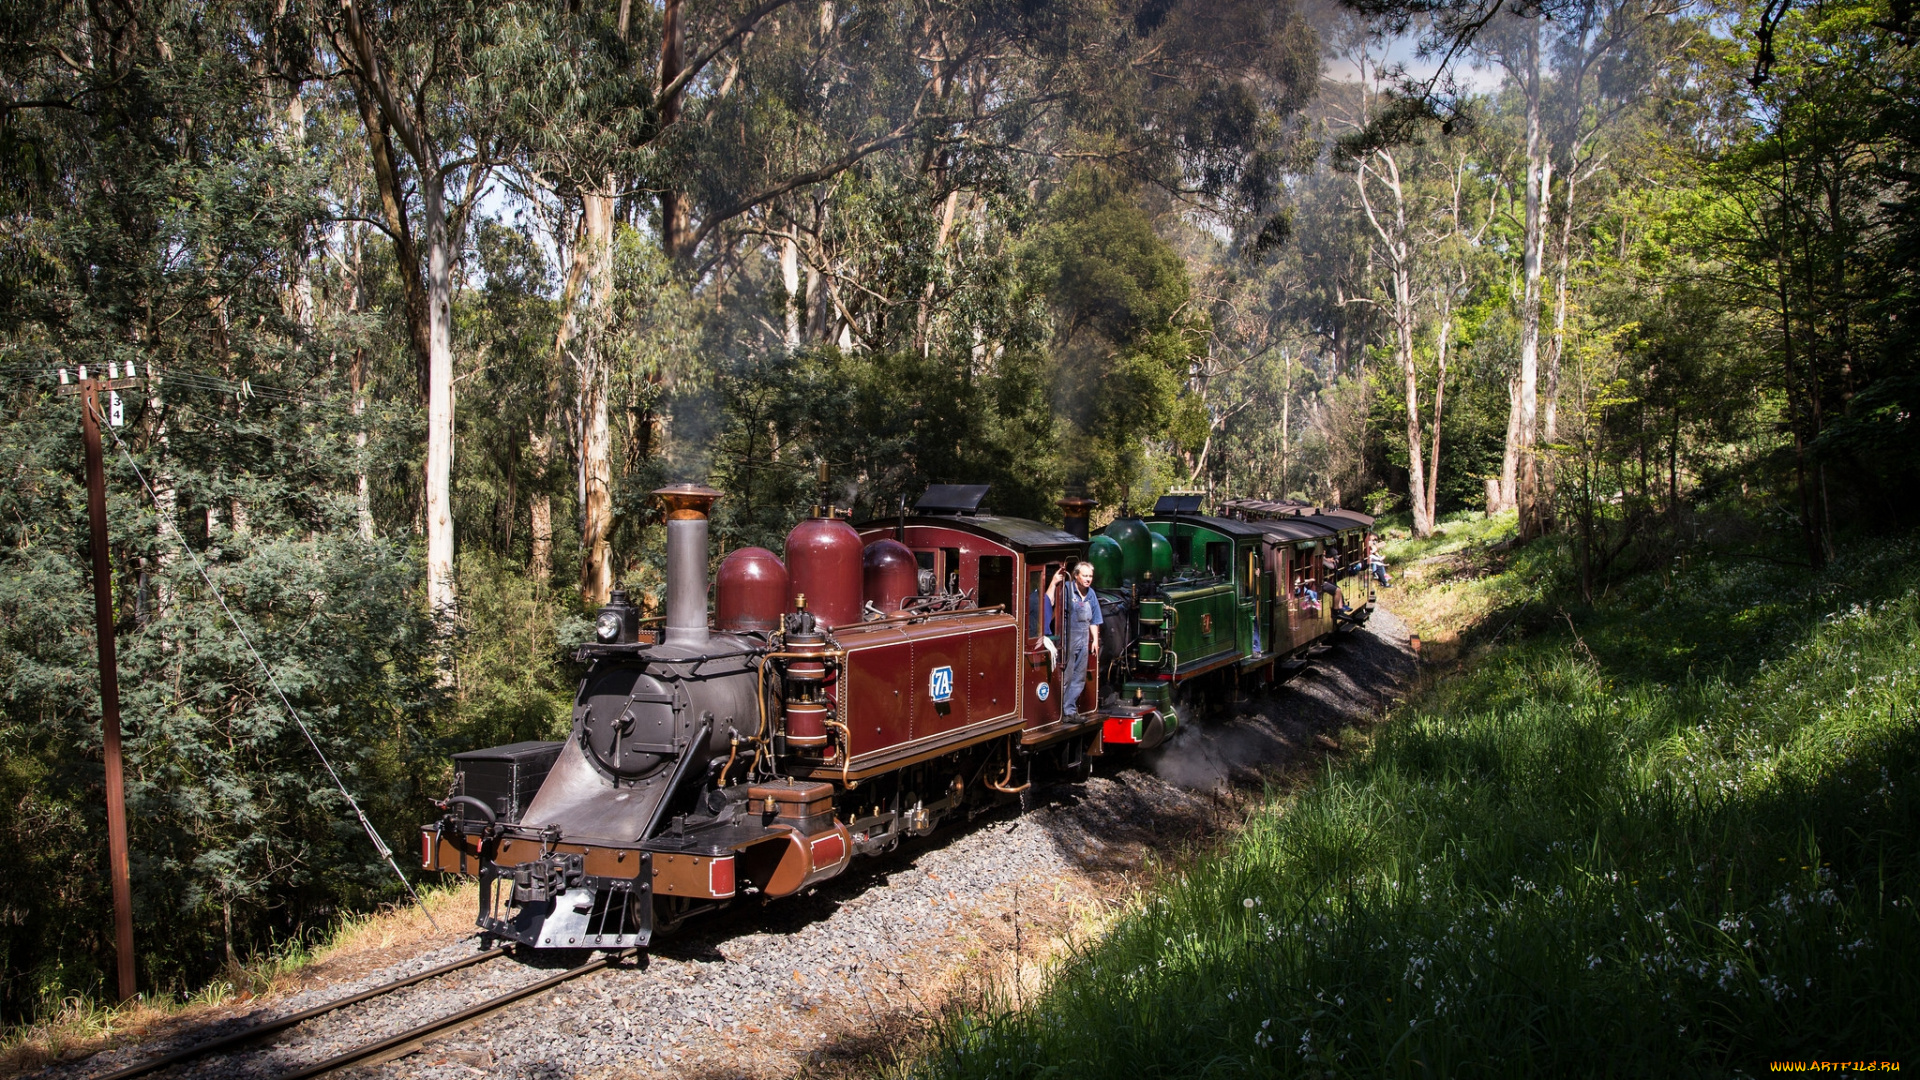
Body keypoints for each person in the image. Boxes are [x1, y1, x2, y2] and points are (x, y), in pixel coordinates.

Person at [1047, 560, 1102, 718]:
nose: (1088, 579)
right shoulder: (1066, 589)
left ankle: (1070, 710)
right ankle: (1060, 710)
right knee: (1067, 674)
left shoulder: (1091, 594)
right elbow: (1050, 603)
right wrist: (1053, 583)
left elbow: (1095, 619)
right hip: (1068, 637)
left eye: (1090, 576)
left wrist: (1095, 640)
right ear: (1076, 575)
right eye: (1085, 576)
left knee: (1079, 677)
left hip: (1084, 638)